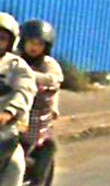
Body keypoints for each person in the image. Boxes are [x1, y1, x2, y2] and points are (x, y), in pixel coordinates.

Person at [18, 21, 63, 186]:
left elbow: (55, 81)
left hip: (38, 118)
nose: (34, 47)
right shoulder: (14, 60)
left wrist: (54, 107)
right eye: (31, 42)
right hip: (14, 113)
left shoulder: (48, 64)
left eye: (39, 44)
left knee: (45, 151)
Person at [0, 13, 37, 186]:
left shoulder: (16, 66)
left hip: (6, 129)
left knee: (15, 164)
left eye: (1, 38)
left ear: (11, 42)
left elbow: (25, 90)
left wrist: (9, 112)